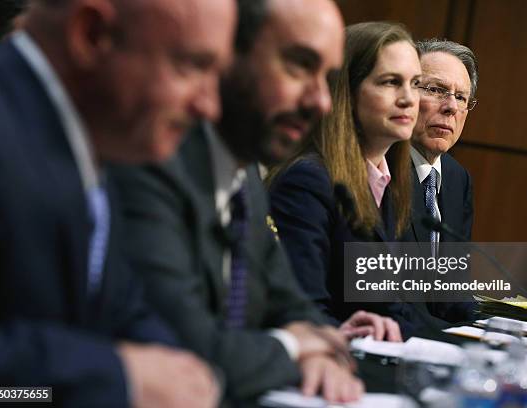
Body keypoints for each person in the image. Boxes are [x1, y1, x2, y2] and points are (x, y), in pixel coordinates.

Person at [111, 0, 371, 403]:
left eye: (329, 77)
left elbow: (295, 305)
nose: (321, 100)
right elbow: (188, 353)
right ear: (226, 55)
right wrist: (294, 348)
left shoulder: (245, 176)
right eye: (299, 65)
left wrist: (321, 350)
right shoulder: (155, 160)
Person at [0, 0, 235, 407]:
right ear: (91, 37)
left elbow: (121, 308)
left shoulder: (94, 139)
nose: (209, 106)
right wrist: (114, 379)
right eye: (192, 65)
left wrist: (191, 379)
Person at [267, 22, 420, 337]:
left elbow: (395, 308)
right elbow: (305, 310)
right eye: (391, 82)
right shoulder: (308, 181)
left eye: (415, 83)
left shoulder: (389, 186)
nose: (408, 98)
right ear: (346, 92)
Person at [395, 39, 478, 330]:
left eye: (461, 97)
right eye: (436, 90)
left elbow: (452, 289)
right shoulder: (381, 167)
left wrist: (498, 329)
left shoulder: (457, 178)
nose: (451, 107)